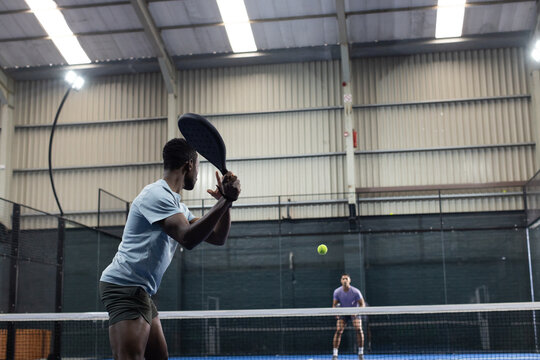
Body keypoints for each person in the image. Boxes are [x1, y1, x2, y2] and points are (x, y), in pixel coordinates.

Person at [99, 138, 240, 360]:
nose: (197, 174)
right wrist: (224, 201)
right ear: (189, 165)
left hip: (141, 291)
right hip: (124, 286)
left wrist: (226, 202)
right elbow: (187, 238)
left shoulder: (178, 207)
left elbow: (217, 237)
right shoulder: (156, 194)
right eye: (198, 167)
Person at [332, 274, 366, 360]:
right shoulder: (337, 292)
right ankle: (335, 355)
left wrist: (357, 312)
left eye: (346, 279)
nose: (345, 280)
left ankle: (361, 353)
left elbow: (362, 304)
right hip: (343, 313)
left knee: (359, 329)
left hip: (354, 312)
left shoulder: (356, 291)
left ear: (349, 280)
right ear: (341, 281)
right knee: (339, 330)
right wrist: (335, 312)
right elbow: (334, 305)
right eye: (343, 279)